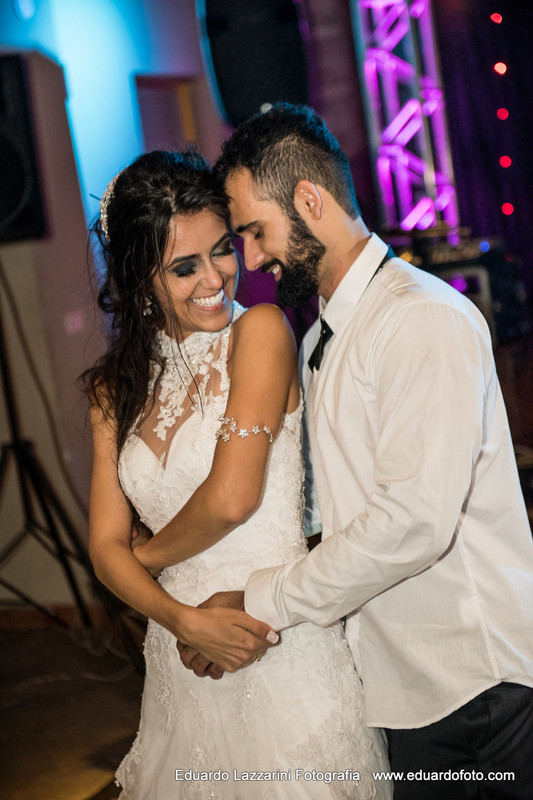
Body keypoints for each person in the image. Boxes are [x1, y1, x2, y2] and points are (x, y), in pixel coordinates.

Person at [179, 103, 533, 799]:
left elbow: (412, 523)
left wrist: (261, 598)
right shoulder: (320, 337)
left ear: (309, 201)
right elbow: (333, 507)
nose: (251, 259)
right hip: (400, 679)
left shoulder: (419, 317)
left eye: (255, 231)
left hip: (472, 683)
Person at [84, 149, 391, 799]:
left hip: (278, 640)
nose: (215, 277)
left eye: (222, 250)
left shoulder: (260, 332)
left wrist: (140, 559)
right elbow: (101, 545)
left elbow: (232, 498)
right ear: (138, 278)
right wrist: (180, 619)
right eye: (183, 267)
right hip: (180, 654)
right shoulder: (112, 391)